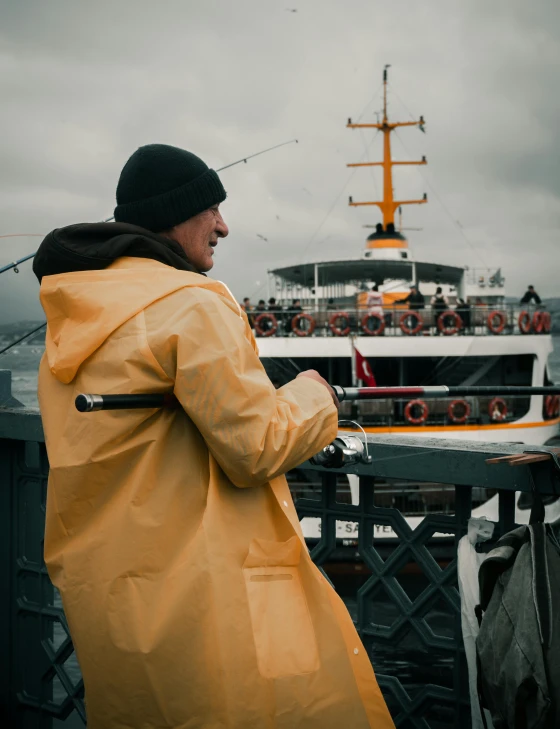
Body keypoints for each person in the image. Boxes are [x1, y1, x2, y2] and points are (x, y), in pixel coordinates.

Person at [33, 143, 394, 729]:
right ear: (176, 214)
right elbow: (256, 446)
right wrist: (315, 396)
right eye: (212, 209)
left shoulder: (74, 311)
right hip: (203, 599)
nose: (223, 225)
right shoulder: (192, 304)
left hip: (110, 595)